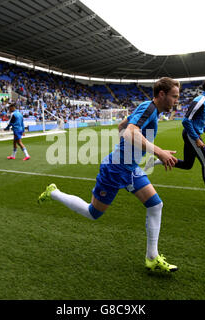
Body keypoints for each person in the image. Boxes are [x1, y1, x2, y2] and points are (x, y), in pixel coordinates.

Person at [38, 77, 180, 273]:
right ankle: (54, 192)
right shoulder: (149, 109)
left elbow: (122, 126)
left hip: (129, 168)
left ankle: (152, 257)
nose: (176, 101)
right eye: (174, 96)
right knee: (93, 213)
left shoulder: (149, 109)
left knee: (156, 205)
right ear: (162, 94)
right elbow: (129, 132)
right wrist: (159, 152)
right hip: (115, 169)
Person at [145, 79, 205, 208]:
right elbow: (186, 121)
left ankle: (160, 161)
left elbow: (199, 121)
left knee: (188, 164)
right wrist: (196, 139)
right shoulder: (200, 100)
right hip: (191, 135)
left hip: (194, 134)